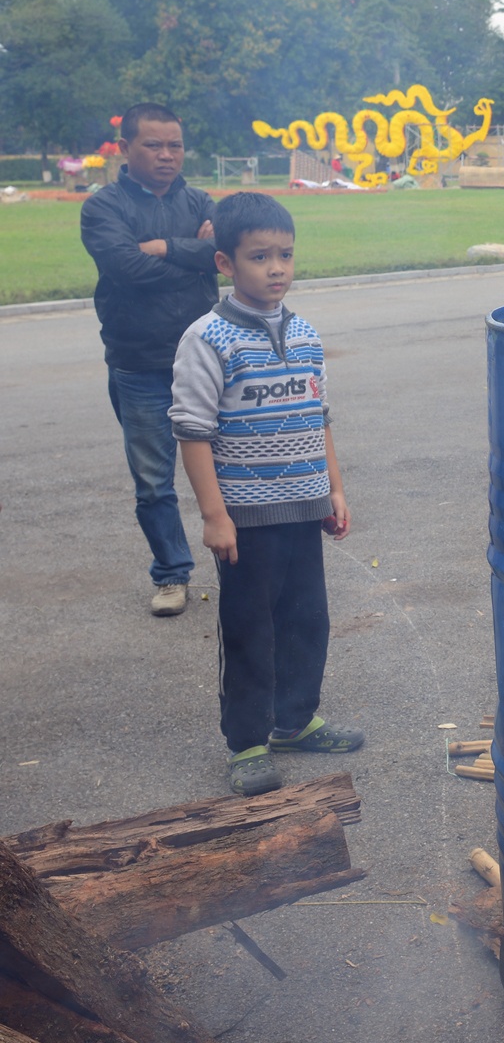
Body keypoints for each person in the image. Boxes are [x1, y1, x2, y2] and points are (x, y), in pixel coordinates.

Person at [170, 192, 361, 796]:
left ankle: (295, 721)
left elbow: (319, 415)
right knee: (252, 628)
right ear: (225, 263)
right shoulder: (207, 338)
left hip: (305, 508)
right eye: (259, 257)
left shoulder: (304, 331)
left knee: (307, 621)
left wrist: (333, 489)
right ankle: (248, 742)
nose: (276, 268)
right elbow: (193, 432)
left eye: (285, 255)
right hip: (245, 520)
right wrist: (214, 516)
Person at [79, 103, 219, 616]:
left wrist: (162, 247)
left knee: (229, 465)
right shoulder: (103, 208)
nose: (166, 155)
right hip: (138, 363)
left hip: (205, 360)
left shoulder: (202, 201)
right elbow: (126, 269)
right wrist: (191, 255)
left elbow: (225, 254)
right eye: (153, 145)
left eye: (175, 145)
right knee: (154, 481)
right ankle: (171, 574)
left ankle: (239, 558)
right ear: (126, 148)